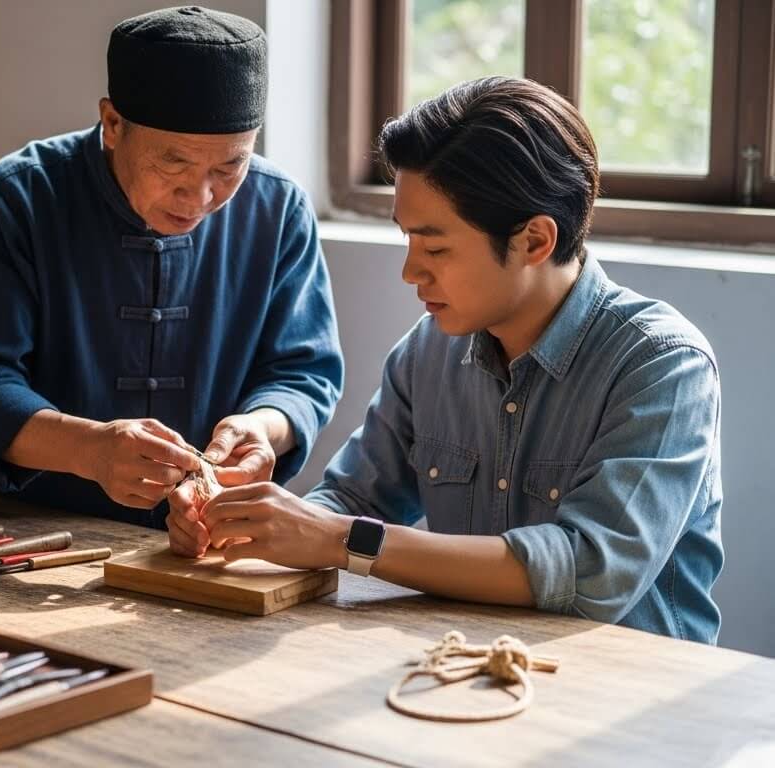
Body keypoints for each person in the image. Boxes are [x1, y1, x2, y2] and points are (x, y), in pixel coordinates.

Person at [171, 76, 723, 643]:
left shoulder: (662, 365)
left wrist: (340, 538)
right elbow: (353, 500)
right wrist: (241, 523)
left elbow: (592, 574)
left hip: (627, 702)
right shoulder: (429, 350)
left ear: (534, 240)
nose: (411, 272)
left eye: (435, 248)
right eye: (408, 241)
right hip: (464, 674)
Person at [0, 6, 343, 527]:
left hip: (211, 532)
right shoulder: (19, 197)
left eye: (230, 165)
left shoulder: (277, 208)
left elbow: (303, 371)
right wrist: (89, 449)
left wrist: (262, 427)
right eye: (174, 163)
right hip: (29, 528)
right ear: (112, 123)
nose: (201, 195)